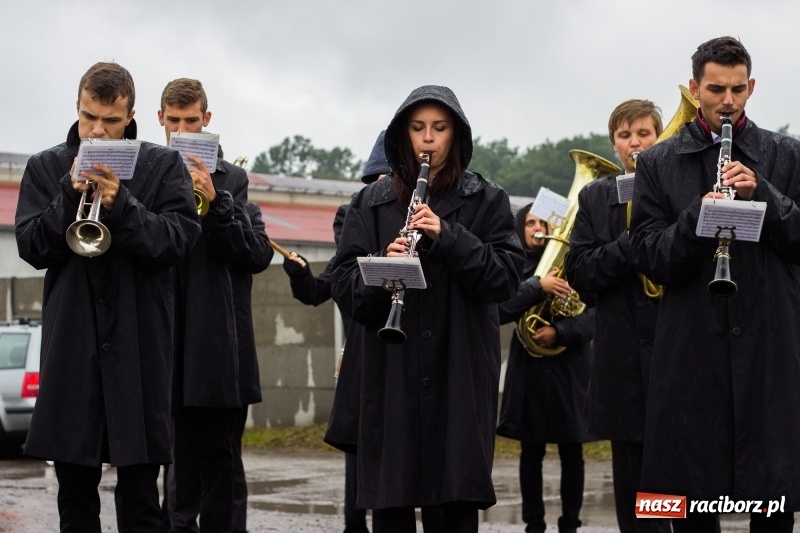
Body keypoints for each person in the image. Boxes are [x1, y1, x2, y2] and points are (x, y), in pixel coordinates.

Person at [330, 85, 525, 533]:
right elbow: (343, 285)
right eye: (418, 129)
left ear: (455, 135)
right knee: (392, 511)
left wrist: (448, 235)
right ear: (403, 137)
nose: (429, 139)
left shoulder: (487, 200)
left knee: (454, 509)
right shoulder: (370, 203)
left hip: (458, 379)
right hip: (391, 377)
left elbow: (505, 278)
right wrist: (383, 270)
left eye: (439, 129)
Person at [15, 62, 201, 531]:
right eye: (88, 116)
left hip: (138, 352)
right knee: (75, 498)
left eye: (111, 121)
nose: (97, 130)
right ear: (77, 108)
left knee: (141, 500)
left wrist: (124, 207)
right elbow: (31, 246)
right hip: (72, 352)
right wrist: (66, 195)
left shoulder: (164, 167)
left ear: (131, 115)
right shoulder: (47, 166)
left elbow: (177, 242)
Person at [630, 36, 800, 533]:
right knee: (689, 500)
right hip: (691, 353)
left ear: (751, 87)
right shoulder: (659, 162)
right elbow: (647, 256)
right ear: (694, 88)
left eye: (738, 89)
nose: (728, 100)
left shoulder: (785, 154)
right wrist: (696, 220)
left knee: (771, 501)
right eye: (716, 89)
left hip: (768, 348)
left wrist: (761, 194)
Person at [564, 100, 672, 533]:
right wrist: (633, 244)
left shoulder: (676, 187)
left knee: (673, 467)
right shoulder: (595, 196)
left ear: (658, 138)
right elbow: (580, 271)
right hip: (621, 356)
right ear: (614, 142)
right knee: (630, 473)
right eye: (625, 136)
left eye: (644, 134)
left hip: (671, 351)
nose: (635, 144)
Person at [282, 130, 390, 533]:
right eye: (376, 179)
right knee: (359, 449)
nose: (383, 186)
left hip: (410, 354)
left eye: (390, 176)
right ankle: (353, 525)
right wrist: (300, 275)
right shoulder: (355, 217)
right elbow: (319, 291)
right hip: (363, 355)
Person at [158, 78, 252, 532]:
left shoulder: (233, 179)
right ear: (160, 119)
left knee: (222, 460)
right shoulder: (150, 173)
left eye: (191, 121)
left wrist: (217, 204)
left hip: (217, 345)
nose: (182, 130)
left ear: (207, 120)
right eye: (173, 121)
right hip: (168, 337)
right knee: (175, 463)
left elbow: (250, 255)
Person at [496, 207, 594, 533]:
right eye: (530, 222)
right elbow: (499, 310)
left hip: (570, 369)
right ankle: (533, 525)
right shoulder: (511, 266)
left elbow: (594, 314)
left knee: (572, 451)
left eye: (543, 223)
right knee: (530, 452)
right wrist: (539, 285)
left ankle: (570, 525)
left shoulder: (574, 263)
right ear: (519, 228)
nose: (537, 228)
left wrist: (561, 332)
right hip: (530, 370)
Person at [229, 201, 273, 533]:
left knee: (229, 458)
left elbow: (258, 255)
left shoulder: (246, 208)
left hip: (231, 361)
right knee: (179, 463)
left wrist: (221, 205)